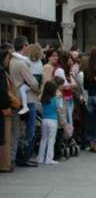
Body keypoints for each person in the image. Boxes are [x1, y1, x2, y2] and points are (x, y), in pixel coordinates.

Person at [9, 36, 40, 167]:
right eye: (27, 45)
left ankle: (16, 156)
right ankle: (24, 157)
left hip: (17, 98)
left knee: (18, 130)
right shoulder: (22, 63)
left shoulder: (12, 61)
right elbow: (33, 82)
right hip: (27, 99)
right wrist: (37, 85)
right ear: (24, 46)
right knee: (30, 130)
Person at [36, 80, 61, 165]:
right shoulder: (55, 99)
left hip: (44, 120)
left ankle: (40, 158)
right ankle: (49, 159)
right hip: (53, 120)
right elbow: (58, 108)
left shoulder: (42, 98)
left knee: (43, 139)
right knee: (51, 140)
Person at [0, 45, 16, 173]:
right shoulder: (1, 71)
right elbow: (2, 92)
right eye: (7, 58)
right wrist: (6, 106)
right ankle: (4, 164)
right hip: (3, 109)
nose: (8, 61)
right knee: (4, 136)